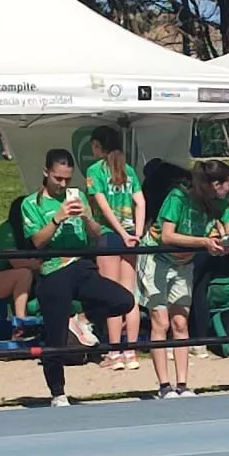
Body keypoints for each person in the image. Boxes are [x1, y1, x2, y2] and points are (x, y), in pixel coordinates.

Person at [21, 150, 134, 407]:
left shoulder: (78, 196)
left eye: (67, 179)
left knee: (123, 300)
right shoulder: (30, 203)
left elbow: (96, 235)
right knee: (55, 338)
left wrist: (86, 217)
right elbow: (37, 242)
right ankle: (58, 392)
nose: (63, 184)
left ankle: (83, 320)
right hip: (52, 271)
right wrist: (57, 218)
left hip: (81, 266)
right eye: (58, 178)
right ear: (46, 173)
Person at [150, 159, 229, 399]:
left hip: (185, 262)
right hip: (157, 258)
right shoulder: (178, 197)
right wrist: (204, 242)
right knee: (160, 323)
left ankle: (182, 384)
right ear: (216, 184)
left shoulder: (223, 202)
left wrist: (228, 245)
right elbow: (167, 235)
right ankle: (164, 386)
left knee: (180, 323)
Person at [85, 126, 144, 370]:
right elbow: (140, 201)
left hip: (110, 236)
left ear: (98, 145)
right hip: (130, 235)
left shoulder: (94, 171)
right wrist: (136, 233)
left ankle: (115, 352)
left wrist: (120, 232)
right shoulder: (128, 170)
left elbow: (102, 206)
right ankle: (131, 352)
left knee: (112, 295)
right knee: (129, 294)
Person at [0, 199, 39, 341]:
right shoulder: (7, 230)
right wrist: (42, 264)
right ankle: (21, 325)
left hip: (12, 278)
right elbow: (16, 262)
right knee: (24, 274)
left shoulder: (32, 230)